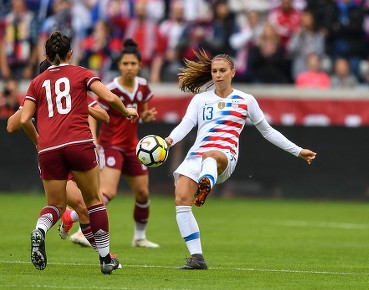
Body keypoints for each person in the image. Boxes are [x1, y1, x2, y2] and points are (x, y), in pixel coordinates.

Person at [164, 50, 316, 270]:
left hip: (225, 156)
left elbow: (268, 132)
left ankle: (207, 183)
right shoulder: (200, 99)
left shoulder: (246, 100)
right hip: (195, 156)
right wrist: (169, 140)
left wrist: (298, 150)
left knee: (211, 156)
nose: (218, 75)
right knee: (181, 200)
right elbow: (186, 126)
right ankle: (197, 258)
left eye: (223, 70)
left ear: (233, 72)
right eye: (214, 71)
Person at [19, 31, 138, 274]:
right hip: (79, 143)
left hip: (49, 148)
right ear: (70, 53)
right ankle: (106, 259)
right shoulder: (81, 73)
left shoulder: (37, 82)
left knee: (55, 204)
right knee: (94, 200)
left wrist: (39, 141)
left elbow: (23, 119)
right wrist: (126, 111)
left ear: (47, 56)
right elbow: (107, 96)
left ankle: (40, 230)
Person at [64, 39, 159, 248]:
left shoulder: (143, 87)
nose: (129, 68)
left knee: (143, 193)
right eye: (125, 64)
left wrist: (145, 116)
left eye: (133, 64)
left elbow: (138, 113)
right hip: (111, 145)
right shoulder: (110, 89)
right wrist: (94, 139)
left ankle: (139, 237)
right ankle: (80, 228)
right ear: (119, 66)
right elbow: (93, 113)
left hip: (133, 147)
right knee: (107, 192)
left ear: (140, 65)